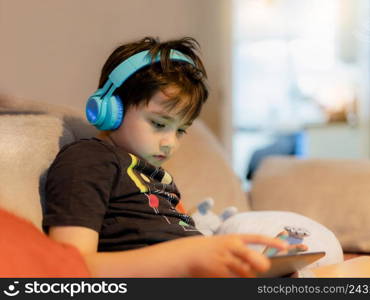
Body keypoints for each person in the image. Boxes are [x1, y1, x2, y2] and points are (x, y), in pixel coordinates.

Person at [42, 36, 292, 277]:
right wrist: (187, 258)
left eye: (181, 130)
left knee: (327, 274)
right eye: (159, 124)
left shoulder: (158, 177)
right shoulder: (88, 159)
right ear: (109, 109)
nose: (170, 143)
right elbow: (71, 268)